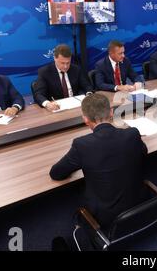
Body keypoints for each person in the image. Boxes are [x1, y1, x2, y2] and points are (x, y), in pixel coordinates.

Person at [50, 93, 147, 227]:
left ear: (85, 119)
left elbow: (56, 173)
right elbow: (143, 152)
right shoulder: (132, 133)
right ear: (112, 112)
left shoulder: (82, 145)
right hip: (141, 204)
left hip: (106, 217)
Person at [33, 44, 93, 111]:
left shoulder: (76, 69)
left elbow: (87, 86)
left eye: (68, 63)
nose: (65, 66)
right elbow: (38, 94)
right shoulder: (45, 72)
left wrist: (89, 95)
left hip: (75, 107)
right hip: (57, 109)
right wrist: (47, 104)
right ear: (55, 59)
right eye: (62, 63)